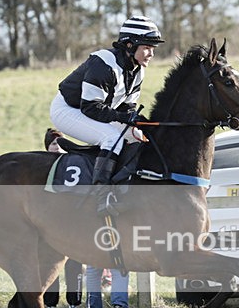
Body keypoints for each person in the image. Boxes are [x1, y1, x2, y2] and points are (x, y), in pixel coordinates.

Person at [49, 16, 164, 196]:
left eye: (153, 49)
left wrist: (138, 122)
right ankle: (101, 192)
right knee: (110, 138)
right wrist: (125, 118)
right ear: (129, 46)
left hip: (96, 110)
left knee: (138, 137)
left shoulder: (137, 70)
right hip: (69, 110)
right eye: (147, 48)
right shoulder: (103, 64)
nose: (151, 54)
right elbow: (90, 108)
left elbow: (126, 108)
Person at [43, 128, 84, 308]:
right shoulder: (40, 166)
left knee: (74, 264)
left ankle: (74, 303)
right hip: (50, 224)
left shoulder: (72, 166)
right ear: (47, 147)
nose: (57, 147)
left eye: (60, 144)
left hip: (73, 224)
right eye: (53, 144)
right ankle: (50, 304)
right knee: (50, 264)